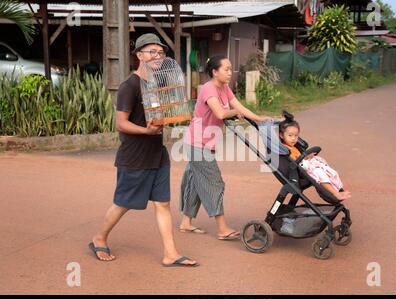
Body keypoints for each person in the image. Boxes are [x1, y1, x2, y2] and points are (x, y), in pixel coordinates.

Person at [89, 33, 198, 267]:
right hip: (135, 156)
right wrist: (146, 131)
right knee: (123, 203)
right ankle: (99, 237)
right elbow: (121, 123)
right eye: (152, 52)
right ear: (139, 55)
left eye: (160, 52)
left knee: (162, 203)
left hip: (158, 155)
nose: (157, 56)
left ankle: (170, 253)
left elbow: (158, 115)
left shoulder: (156, 83)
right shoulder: (129, 86)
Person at [179, 55, 272, 240]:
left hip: (203, 144)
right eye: (226, 69)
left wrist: (259, 119)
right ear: (215, 72)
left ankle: (185, 223)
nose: (230, 72)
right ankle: (222, 229)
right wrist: (235, 113)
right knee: (215, 182)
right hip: (197, 144)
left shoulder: (225, 88)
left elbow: (239, 107)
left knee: (195, 181)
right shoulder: (208, 89)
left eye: (231, 69)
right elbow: (221, 113)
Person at [278, 113, 351, 201]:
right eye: (290, 135)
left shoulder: (294, 146)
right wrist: (305, 158)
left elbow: (300, 158)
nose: (294, 138)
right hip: (299, 173)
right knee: (320, 173)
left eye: (296, 136)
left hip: (305, 166)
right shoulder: (284, 149)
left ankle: (337, 189)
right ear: (282, 135)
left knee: (326, 170)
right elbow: (295, 162)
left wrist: (308, 157)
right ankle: (336, 194)